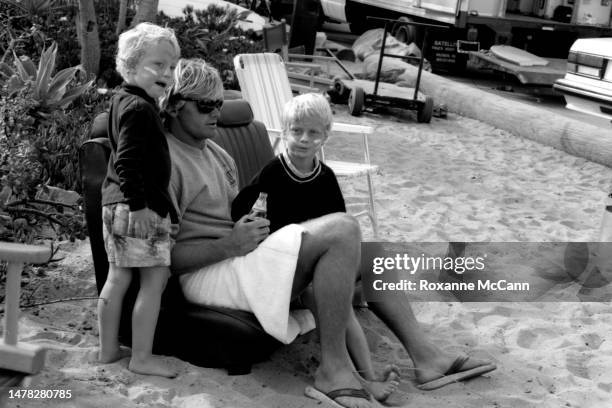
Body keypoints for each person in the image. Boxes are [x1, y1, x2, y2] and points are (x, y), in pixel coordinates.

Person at [162, 58, 496, 408]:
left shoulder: (215, 152)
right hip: (209, 274)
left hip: (240, 257)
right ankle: (334, 370)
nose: (216, 112)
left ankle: (427, 359)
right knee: (342, 228)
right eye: (205, 105)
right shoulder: (165, 162)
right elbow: (162, 260)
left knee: (373, 252)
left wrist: (240, 238)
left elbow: (238, 213)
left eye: (219, 103)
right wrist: (229, 245)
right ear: (175, 105)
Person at [231, 92, 398, 401]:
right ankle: (352, 373)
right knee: (328, 298)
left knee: (352, 284)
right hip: (286, 266)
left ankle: (368, 374)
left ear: (325, 136)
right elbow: (240, 211)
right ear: (284, 130)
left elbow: (339, 226)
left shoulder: (326, 178)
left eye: (313, 132)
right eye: (296, 131)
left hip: (319, 262)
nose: (303, 139)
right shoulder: (272, 173)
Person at [97, 22, 180, 378]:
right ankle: (142, 356)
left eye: (172, 66)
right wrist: (141, 207)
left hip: (114, 203)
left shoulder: (121, 101)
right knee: (154, 279)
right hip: (137, 206)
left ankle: (108, 350)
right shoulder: (140, 110)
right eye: (158, 65)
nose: (168, 72)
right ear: (129, 66)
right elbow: (128, 161)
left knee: (117, 278)